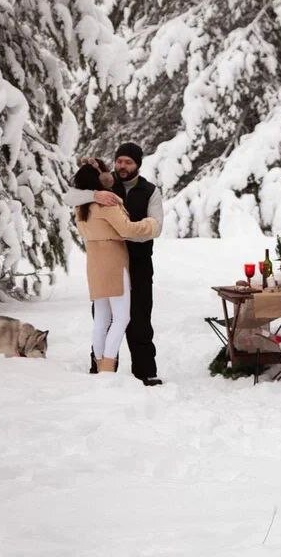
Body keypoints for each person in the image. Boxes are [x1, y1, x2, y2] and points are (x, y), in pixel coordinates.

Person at [65, 143, 165, 385]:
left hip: (138, 262)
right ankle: (101, 369)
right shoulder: (106, 185)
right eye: (119, 161)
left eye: (128, 162)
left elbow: (156, 226)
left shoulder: (150, 191)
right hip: (111, 259)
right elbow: (70, 195)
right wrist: (94, 195)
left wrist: (123, 233)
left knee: (139, 319)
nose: (122, 166)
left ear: (138, 165)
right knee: (106, 317)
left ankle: (144, 372)